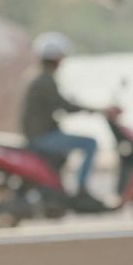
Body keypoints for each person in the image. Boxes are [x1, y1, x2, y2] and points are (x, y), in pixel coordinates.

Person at [21, 32, 106, 211]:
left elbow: (60, 104)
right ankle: (81, 190)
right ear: (56, 58)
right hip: (42, 137)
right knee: (90, 143)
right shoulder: (44, 81)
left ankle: (63, 188)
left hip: (39, 134)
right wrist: (95, 110)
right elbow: (64, 106)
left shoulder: (41, 78)